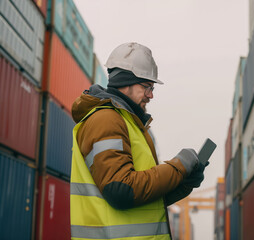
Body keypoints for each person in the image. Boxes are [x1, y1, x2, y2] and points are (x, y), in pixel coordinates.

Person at [70, 42, 206, 240]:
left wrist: (185, 182)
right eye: (147, 87)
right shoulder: (106, 119)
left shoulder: (128, 123)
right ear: (126, 82)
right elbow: (120, 190)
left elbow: (146, 199)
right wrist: (178, 166)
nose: (150, 95)